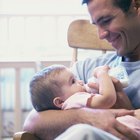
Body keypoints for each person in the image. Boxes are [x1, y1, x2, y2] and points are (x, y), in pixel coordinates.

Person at [23, 0, 140, 140]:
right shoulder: (86, 69)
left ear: (135, 6)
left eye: (106, 20)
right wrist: (89, 117)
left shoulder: (94, 74)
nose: (100, 35)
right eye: (97, 25)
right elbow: (32, 122)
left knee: (84, 133)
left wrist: (127, 110)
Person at [29, 64, 140, 136]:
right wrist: (102, 74)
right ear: (59, 102)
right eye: (73, 81)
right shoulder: (74, 99)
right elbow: (107, 99)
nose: (81, 81)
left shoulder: (70, 104)